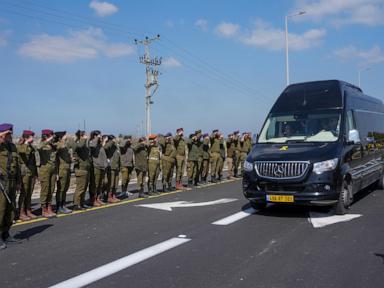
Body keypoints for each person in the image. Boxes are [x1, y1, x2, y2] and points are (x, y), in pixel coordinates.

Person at [0, 123, 21, 249]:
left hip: (12, 181)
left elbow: (17, 165)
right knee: (1, 209)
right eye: (7, 134)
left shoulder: (12, 147)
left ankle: (6, 234)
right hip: (2, 182)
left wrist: (18, 181)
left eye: (10, 134)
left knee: (10, 208)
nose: (9, 136)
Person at [17, 130, 38, 221]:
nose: (33, 138)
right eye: (31, 137)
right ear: (26, 137)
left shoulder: (31, 147)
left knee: (30, 192)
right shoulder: (21, 146)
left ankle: (28, 210)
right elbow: (23, 153)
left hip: (31, 172)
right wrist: (25, 143)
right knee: (24, 193)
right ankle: (21, 212)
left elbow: (33, 161)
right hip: (24, 172)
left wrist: (36, 173)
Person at [38, 129, 58, 218]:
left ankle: (49, 206)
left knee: (51, 188)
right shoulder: (42, 144)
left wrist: (56, 172)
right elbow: (39, 147)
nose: (52, 137)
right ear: (46, 136)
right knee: (45, 189)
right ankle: (44, 209)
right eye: (51, 135)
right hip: (45, 170)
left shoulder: (52, 145)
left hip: (53, 170)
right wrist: (48, 140)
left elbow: (55, 160)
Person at [72, 130, 91, 210]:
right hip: (80, 169)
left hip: (85, 169)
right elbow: (79, 147)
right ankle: (76, 204)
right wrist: (83, 139)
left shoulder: (84, 145)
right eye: (84, 135)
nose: (86, 137)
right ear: (81, 136)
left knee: (84, 187)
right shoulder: (77, 144)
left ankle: (81, 203)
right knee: (80, 188)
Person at [89, 130, 108, 206]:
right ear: (95, 136)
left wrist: (103, 141)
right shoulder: (92, 142)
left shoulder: (99, 145)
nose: (100, 136)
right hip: (96, 166)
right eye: (99, 135)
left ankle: (98, 198)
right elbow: (93, 145)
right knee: (95, 184)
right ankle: (93, 200)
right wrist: (97, 138)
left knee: (100, 184)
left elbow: (101, 148)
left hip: (102, 167)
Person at [55, 131, 72, 214]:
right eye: (65, 135)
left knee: (65, 188)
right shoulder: (59, 144)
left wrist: (71, 159)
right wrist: (62, 141)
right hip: (61, 170)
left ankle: (63, 205)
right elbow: (59, 148)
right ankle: (59, 206)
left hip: (67, 169)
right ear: (60, 137)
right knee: (61, 189)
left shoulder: (64, 145)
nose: (67, 136)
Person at [104, 135, 121, 203]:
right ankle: (109, 197)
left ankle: (114, 196)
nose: (115, 140)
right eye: (114, 139)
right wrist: (110, 142)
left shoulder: (116, 146)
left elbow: (119, 156)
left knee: (115, 184)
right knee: (111, 184)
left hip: (116, 167)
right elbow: (105, 148)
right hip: (111, 167)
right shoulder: (109, 145)